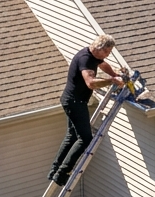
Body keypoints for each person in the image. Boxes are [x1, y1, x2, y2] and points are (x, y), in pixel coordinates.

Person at [48, 34, 125, 187]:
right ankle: (62, 173)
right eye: (107, 52)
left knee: (71, 136)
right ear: (100, 48)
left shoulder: (93, 54)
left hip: (71, 101)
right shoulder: (85, 59)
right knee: (85, 139)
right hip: (75, 103)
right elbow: (90, 83)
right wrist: (112, 81)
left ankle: (55, 169)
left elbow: (103, 65)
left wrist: (114, 74)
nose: (108, 55)